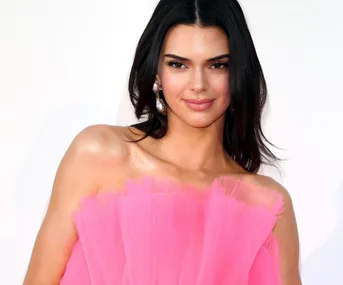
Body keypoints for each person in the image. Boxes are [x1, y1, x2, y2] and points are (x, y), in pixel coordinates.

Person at [24, 0, 302, 284]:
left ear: (239, 74)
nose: (198, 84)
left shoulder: (267, 206)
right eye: (178, 64)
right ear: (157, 71)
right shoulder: (99, 156)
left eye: (218, 65)